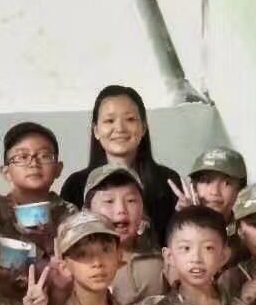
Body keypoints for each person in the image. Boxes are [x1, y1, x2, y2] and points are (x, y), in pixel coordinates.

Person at [59, 84, 182, 244]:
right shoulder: (75, 185)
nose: (120, 128)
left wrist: (186, 217)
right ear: (96, 130)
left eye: (130, 119)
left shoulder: (168, 181)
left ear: (143, 127)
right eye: (109, 121)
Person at [0, 121, 76, 305]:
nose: (33, 163)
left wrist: (49, 241)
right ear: (5, 172)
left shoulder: (70, 215)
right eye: (22, 157)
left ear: (58, 169)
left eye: (44, 155)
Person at [83, 164, 165, 305]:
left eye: (131, 200)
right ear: (87, 212)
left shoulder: (161, 260)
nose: (121, 209)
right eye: (109, 201)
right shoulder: (80, 266)